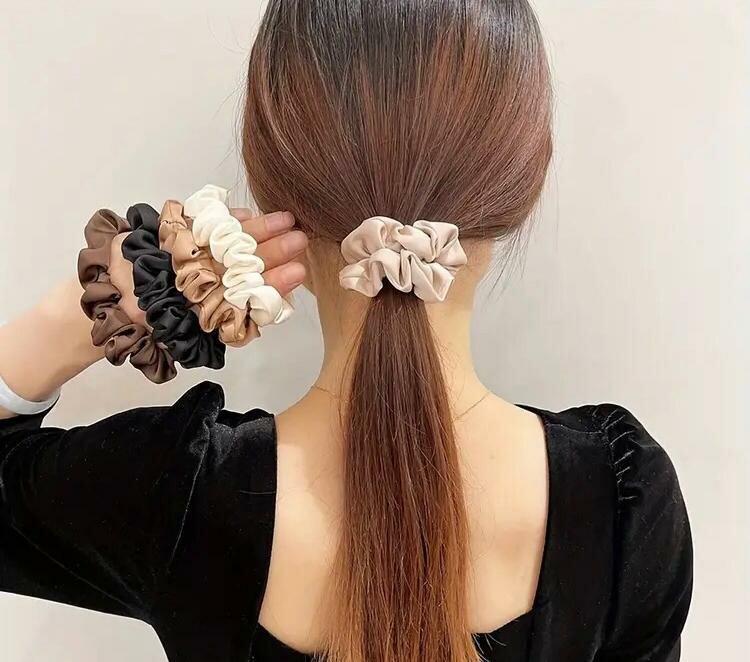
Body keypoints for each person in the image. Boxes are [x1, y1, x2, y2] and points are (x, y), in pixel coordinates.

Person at [0, 1, 692, 661]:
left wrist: (107, 299)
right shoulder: (620, 500)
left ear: (269, 184)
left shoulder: (178, 494)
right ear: (526, 175)